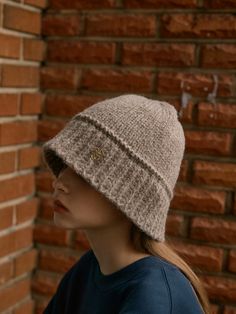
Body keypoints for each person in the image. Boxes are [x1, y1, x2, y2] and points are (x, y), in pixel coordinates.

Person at [42, 94, 211, 314]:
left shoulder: (152, 297)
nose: (60, 183)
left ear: (133, 196)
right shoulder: (89, 270)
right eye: (66, 164)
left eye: (86, 174)